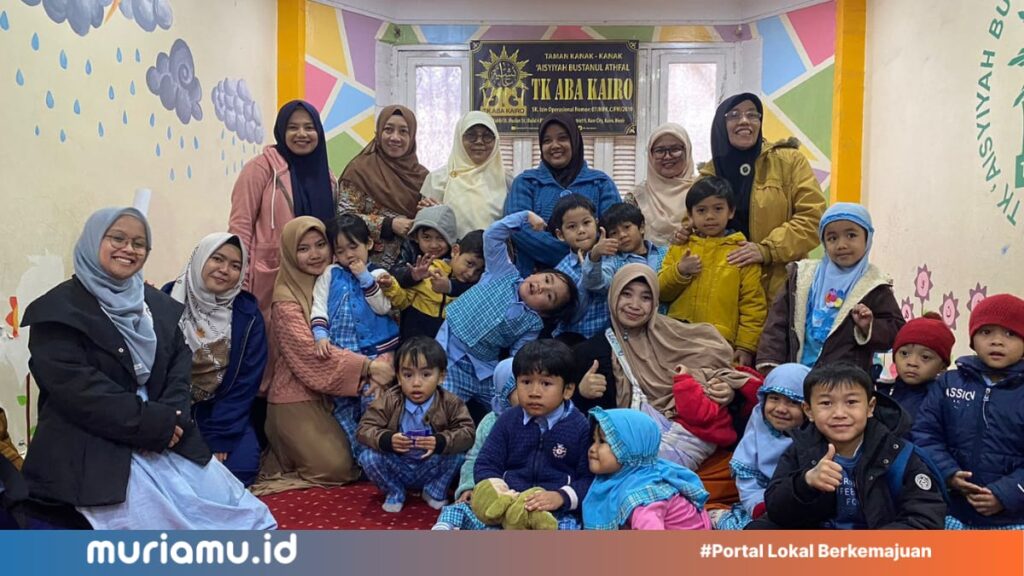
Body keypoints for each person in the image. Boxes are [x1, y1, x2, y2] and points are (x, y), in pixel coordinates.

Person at [20, 207, 275, 529]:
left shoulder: (156, 304)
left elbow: (178, 367)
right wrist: (151, 424)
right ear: (93, 241)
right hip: (94, 435)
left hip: (165, 428)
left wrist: (171, 419)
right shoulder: (57, 311)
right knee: (151, 523)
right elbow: (79, 391)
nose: (129, 249)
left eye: (139, 243)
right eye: (117, 238)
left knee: (239, 515)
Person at [569, 264, 756, 511]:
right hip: (629, 454)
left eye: (645, 297)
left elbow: (720, 367)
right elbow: (580, 419)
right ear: (613, 295)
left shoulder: (677, 334)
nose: (635, 305)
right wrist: (582, 394)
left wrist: (727, 391)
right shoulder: (592, 352)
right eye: (626, 294)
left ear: (656, 303)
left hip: (692, 440)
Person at [251, 217, 394, 496]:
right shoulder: (285, 297)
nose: (315, 254)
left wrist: (384, 360)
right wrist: (368, 367)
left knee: (367, 443)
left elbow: (380, 318)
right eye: (303, 248)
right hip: (298, 395)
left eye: (320, 245)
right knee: (336, 468)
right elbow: (309, 355)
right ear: (289, 253)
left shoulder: (337, 278)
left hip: (336, 391)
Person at [753, 362, 945, 529]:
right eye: (826, 403)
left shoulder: (897, 453)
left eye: (851, 402)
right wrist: (805, 483)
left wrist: (868, 549)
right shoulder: (801, 449)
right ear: (809, 411)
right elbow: (776, 511)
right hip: (819, 549)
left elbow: (926, 516)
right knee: (756, 533)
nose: (839, 413)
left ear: (870, 407)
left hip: (879, 549)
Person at [229, 100, 335, 401]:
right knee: (264, 353)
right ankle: (262, 417)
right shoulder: (261, 168)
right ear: (281, 131)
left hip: (315, 280)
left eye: (309, 127)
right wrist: (240, 281)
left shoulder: (328, 178)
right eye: (293, 127)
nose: (302, 134)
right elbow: (240, 226)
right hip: (268, 278)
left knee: (308, 346)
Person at [437, 211, 577, 417]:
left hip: (483, 368)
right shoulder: (504, 271)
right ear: (536, 273)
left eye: (549, 296)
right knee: (441, 407)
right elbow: (492, 235)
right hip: (449, 350)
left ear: (545, 312)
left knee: (512, 408)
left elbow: (517, 358)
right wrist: (525, 217)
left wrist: (512, 387)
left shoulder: (533, 324)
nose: (542, 288)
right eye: (546, 280)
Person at [695, 93, 826, 301]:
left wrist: (766, 250)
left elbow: (813, 218)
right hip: (723, 292)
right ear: (721, 124)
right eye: (734, 115)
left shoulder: (789, 161)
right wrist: (685, 232)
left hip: (779, 290)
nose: (744, 121)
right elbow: (693, 223)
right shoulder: (709, 175)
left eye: (752, 114)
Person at [912, 294, 1024, 530]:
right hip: (952, 513)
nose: (997, 341)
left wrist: (1006, 494)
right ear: (973, 339)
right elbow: (925, 433)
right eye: (986, 332)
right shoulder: (948, 383)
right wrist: (948, 473)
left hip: (1014, 520)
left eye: (1010, 334)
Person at [164, 233, 266, 486]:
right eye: (217, 259)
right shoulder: (166, 300)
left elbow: (246, 382)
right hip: (172, 408)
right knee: (167, 470)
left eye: (235, 265)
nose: (224, 270)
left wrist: (221, 435)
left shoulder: (247, 314)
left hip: (221, 410)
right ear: (200, 258)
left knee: (239, 470)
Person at [756, 202, 904, 377]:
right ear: (824, 243)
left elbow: (896, 331)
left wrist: (869, 326)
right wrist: (771, 364)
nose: (841, 245)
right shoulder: (802, 277)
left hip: (845, 380)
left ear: (867, 238)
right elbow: (777, 323)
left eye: (851, 235)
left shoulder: (874, 285)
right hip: (797, 373)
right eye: (832, 238)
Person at [473, 340, 594, 529]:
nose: (534, 392)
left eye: (546, 383)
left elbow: (589, 479)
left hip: (554, 511)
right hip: (508, 504)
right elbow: (486, 464)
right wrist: (502, 494)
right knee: (457, 512)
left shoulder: (580, 427)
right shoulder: (508, 421)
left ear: (568, 390)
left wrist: (560, 497)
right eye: (526, 382)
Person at [310, 214, 399, 463]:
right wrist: (320, 334)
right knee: (342, 409)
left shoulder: (378, 273)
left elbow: (383, 307)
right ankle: (360, 457)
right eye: (340, 250)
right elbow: (319, 305)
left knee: (373, 404)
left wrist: (365, 278)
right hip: (340, 356)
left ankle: (377, 455)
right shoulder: (330, 273)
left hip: (374, 355)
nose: (349, 255)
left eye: (353, 247)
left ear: (369, 244)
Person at [357, 337, 475, 513]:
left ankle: (434, 490)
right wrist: (387, 440)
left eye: (426, 375)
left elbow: (468, 433)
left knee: (458, 456)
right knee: (368, 457)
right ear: (398, 377)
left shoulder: (450, 402)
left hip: (432, 464)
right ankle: (395, 491)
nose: (416, 383)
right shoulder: (389, 399)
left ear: (441, 376)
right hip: (398, 464)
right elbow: (364, 429)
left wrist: (440, 441)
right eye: (408, 375)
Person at [659, 176, 767, 366]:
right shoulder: (680, 248)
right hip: (678, 338)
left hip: (720, 344)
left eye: (718, 209)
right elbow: (659, 291)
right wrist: (680, 271)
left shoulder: (742, 253)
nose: (710, 216)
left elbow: (752, 305)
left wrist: (746, 346)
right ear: (690, 215)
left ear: (731, 211)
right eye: (701, 210)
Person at [504, 113, 621, 276]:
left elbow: (614, 229)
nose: (555, 145)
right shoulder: (526, 183)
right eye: (547, 141)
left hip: (593, 280)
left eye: (563, 138)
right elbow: (518, 229)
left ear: (575, 141)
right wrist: (579, 253)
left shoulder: (600, 183)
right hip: (533, 282)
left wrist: (591, 258)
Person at [715, 363, 808, 530]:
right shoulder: (759, 424)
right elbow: (748, 479)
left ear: (809, 409)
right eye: (774, 398)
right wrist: (759, 506)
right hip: (763, 506)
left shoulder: (816, 438)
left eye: (793, 402)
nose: (781, 409)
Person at [583, 407, 710, 530]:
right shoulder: (622, 478)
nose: (592, 448)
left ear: (629, 448)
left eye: (603, 442)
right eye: (594, 440)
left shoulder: (642, 495)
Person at [338, 105, 429, 269]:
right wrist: (389, 224)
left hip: (411, 268)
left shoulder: (423, 177)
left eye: (403, 131)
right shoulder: (359, 170)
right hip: (365, 268)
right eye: (388, 130)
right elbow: (344, 217)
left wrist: (432, 212)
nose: (395, 137)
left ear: (412, 137)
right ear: (379, 132)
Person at [379, 230, 485, 341]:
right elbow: (403, 302)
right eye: (469, 263)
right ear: (455, 251)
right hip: (412, 343)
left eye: (479, 270)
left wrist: (449, 287)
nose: (471, 273)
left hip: (443, 347)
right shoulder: (427, 271)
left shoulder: (476, 288)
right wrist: (391, 286)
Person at [420, 111, 511, 238]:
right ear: (459, 138)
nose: (479, 141)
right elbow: (428, 229)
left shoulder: (507, 180)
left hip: (495, 249)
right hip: (452, 250)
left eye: (487, 136)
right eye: (471, 135)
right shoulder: (437, 179)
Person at [624, 122, 697, 246]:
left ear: (687, 150)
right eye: (660, 150)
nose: (667, 156)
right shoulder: (636, 197)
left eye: (675, 149)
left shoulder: (704, 190)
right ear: (650, 154)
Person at [548, 194, 609, 339]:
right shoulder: (560, 272)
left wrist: (593, 260)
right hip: (572, 338)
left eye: (586, 222)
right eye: (572, 226)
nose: (581, 230)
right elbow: (567, 315)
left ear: (596, 223)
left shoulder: (612, 257)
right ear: (560, 234)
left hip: (609, 337)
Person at [875, 312, 955, 423]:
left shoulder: (943, 401)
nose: (912, 363)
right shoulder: (883, 392)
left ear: (943, 366)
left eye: (925, 357)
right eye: (904, 353)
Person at [581, 202, 668, 294]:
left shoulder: (665, 253)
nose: (622, 235)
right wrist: (595, 255)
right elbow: (595, 284)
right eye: (614, 233)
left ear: (641, 227)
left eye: (627, 227)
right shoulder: (613, 262)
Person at [388, 204, 457, 289]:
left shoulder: (456, 255)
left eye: (441, 238)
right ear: (416, 237)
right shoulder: (411, 247)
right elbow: (395, 272)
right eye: (426, 237)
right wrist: (412, 275)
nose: (434, 245)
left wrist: (450, 286)